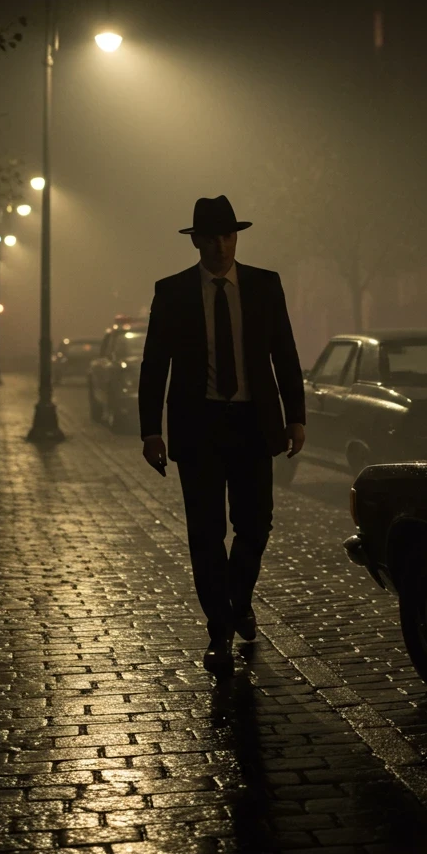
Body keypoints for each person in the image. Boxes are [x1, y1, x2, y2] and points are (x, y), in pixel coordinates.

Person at [138, 195, 306, 677]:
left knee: (256, 525)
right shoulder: (172, 292)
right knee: (206, 533)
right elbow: (155, 363)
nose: (220, 245)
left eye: (227, 236)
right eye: (210, 237)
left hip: (253, 423)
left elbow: (285, 352)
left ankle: (238, 600)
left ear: (236, 237)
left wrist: (296, 417)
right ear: (196, 242)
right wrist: (150, 431)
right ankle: (219, 630)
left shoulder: (264, 285)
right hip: (199, 426)